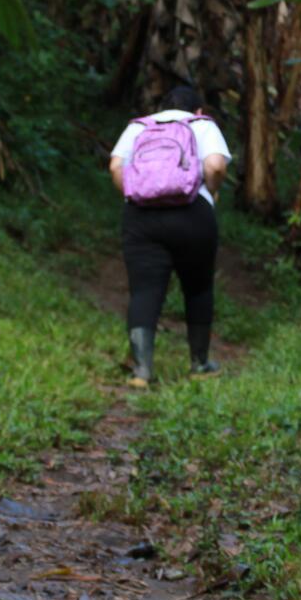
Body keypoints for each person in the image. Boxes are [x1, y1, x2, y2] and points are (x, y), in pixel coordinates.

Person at [108, 84, 231, 386]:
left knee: (144, 290)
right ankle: (199, 365)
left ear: (160, 108)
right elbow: (215, 165)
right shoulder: (201, 125)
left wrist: (138, 192)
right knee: (198, 287)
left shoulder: (139, 127)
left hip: (141, 217)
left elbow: (115, 166)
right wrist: (210, 193)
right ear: (198, 111)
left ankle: (142, 372)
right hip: (193, 215)